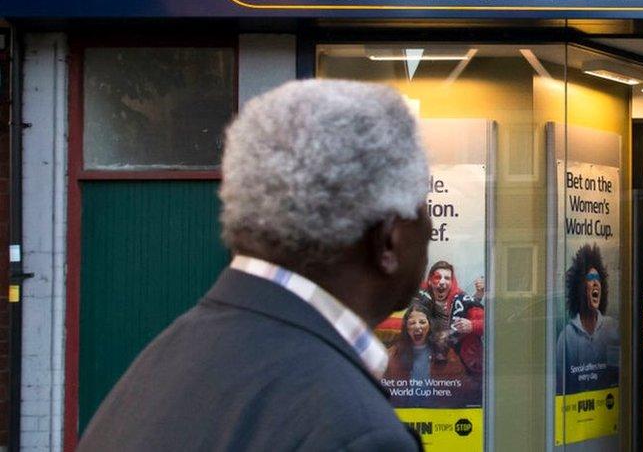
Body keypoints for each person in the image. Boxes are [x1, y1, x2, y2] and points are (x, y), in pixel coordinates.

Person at [78, 79, 432, 451]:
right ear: (389, 238)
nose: (428, 229)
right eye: (422, 207)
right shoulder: (354, 432)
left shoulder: (165, 364)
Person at [384, 295, 471, 407]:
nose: (417, 327)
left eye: (422, 322)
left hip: (437, 416)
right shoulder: (392, 355)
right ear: (406, 327)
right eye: (412, 323)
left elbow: (462, 389)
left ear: (430, 325)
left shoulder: (446, 353)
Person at [556, 244, 620, 394]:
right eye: (590, 278)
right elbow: (561, 384)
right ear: (579, 288)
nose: (596, 282)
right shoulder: (566, 338)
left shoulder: (613, 328)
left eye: (598, 278)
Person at [420, 260, 485, 377]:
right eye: (437, 277)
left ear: (452, 282)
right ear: (430, 281)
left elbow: (492, 325)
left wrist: (472, 325)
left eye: (447, 278)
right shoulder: (422, 293)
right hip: (428, 358)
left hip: (464, 363)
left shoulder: (461, 299)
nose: (442, 282)